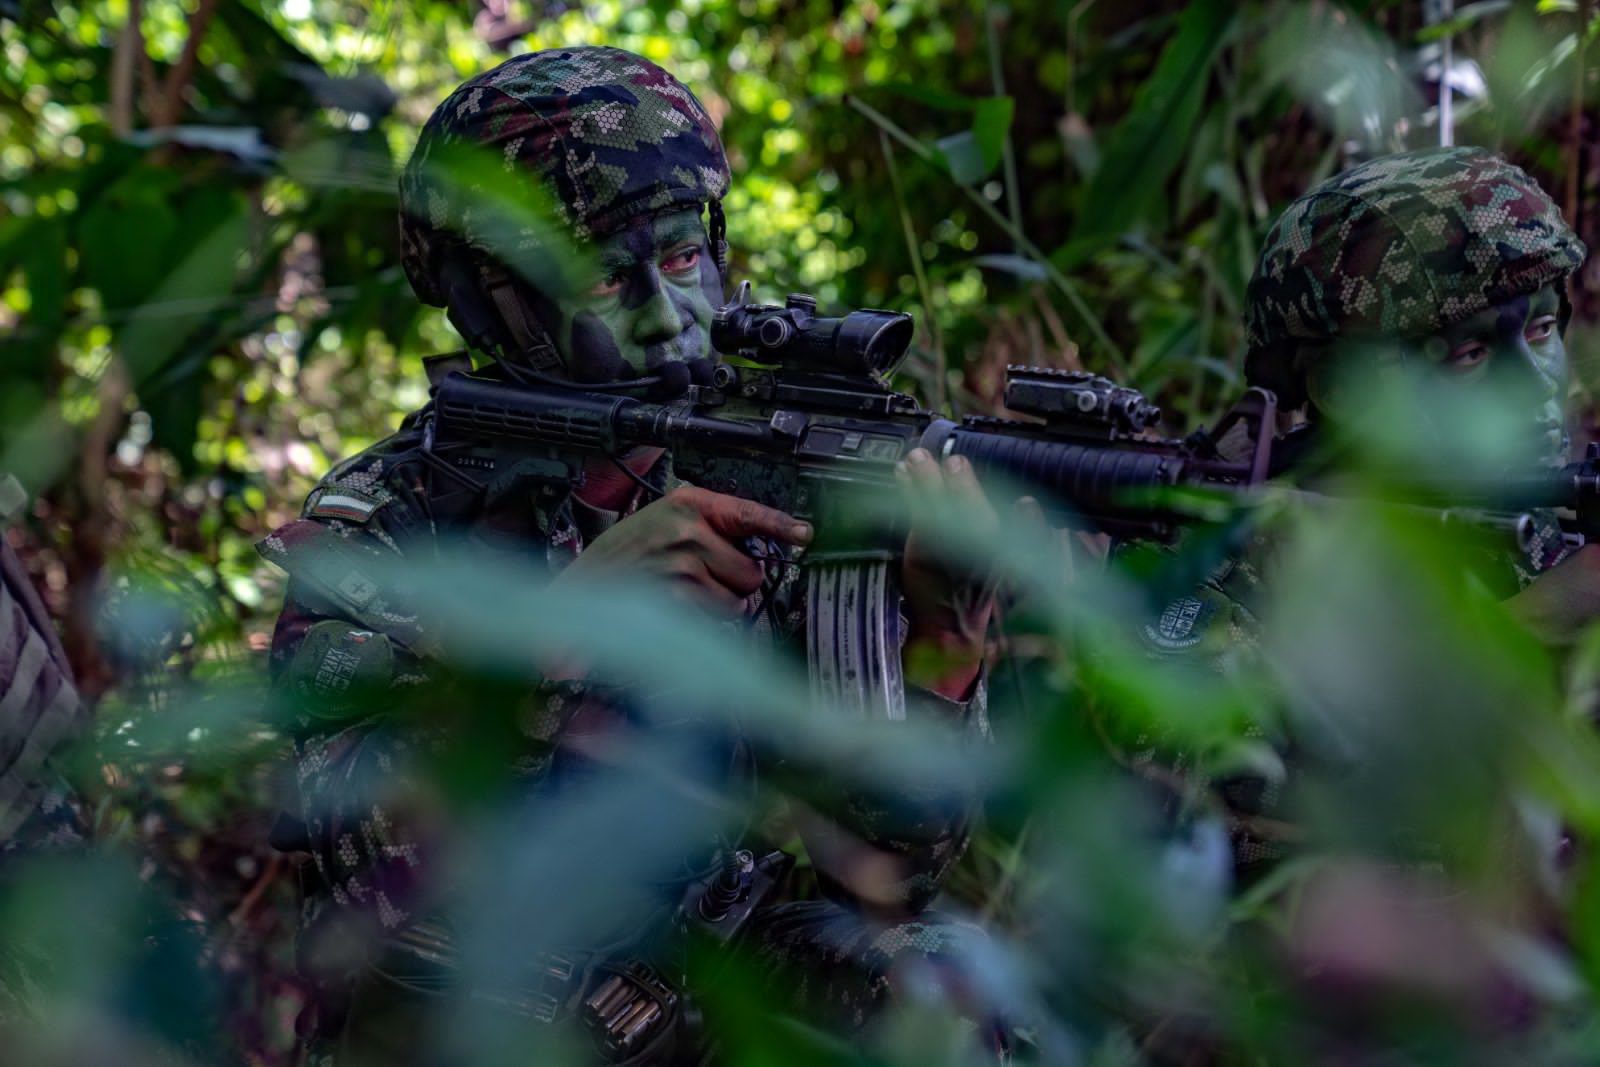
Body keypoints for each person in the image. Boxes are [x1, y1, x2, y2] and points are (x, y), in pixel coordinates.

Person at [259, 46, 1007, 1065]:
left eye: (686, 258)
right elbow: (359, 868)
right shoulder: (390, 526)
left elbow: (885, 866)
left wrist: (940, 645)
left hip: (697, 995)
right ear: (491, 300)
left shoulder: (767, 475)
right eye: (611, 275)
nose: (669, 316)